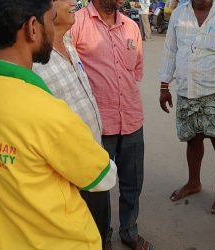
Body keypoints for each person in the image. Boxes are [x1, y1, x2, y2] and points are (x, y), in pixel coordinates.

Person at [0, 0, 116, 249]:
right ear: (33, 28)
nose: (53, 29)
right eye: (50, 20)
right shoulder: (47, 111)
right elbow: (103, 177)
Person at [32, 0, 115, 249]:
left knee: (100, 228)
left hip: (93, 160)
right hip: (66, 177)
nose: (74, 2)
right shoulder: (33, 61)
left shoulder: (67, 42)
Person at [70, 0, 152, 249]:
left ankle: (129, 231)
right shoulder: (77, 23)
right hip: (97, 125)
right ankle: (100, 236)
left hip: (131, 118)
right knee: (96, 188)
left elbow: (135, 70)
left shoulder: (131, 27)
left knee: (132, 181)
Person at [159, 0, 215, 215]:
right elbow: (170, 50)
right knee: (192, 139)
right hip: (187, 90)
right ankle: (193, 182)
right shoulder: (179, 14)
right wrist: (164, 86)